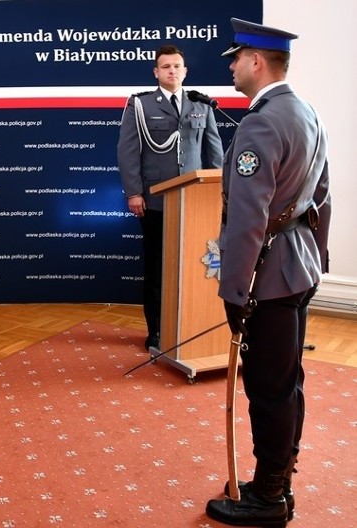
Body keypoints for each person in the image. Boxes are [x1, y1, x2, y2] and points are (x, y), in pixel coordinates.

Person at [205, 19, 331, 527]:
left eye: (236, 58)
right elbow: (321, 197)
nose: (232, 67)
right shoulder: (306, 112)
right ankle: (280, 479)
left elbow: (247, 218)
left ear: (256, 61)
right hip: (297, 269)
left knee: (269, 390)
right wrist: (316, 260)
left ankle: (269, 498)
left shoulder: (261, 122)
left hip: (267, 277)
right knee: (287, 382)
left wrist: (234, 291)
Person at [117, 44, 224, 350]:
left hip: (194, 202)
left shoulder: (200, 103)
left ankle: (189, 325)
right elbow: (127, 152)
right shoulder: (140, 105)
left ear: (185, 71)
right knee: (156, 269)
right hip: (156, 201)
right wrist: (135, 192)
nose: (172, 71)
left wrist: (217, 191)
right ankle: (157, 331)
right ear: (156, 72)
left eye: (177, 66)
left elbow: (213, 150)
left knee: (193, 266)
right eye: (166, 67)